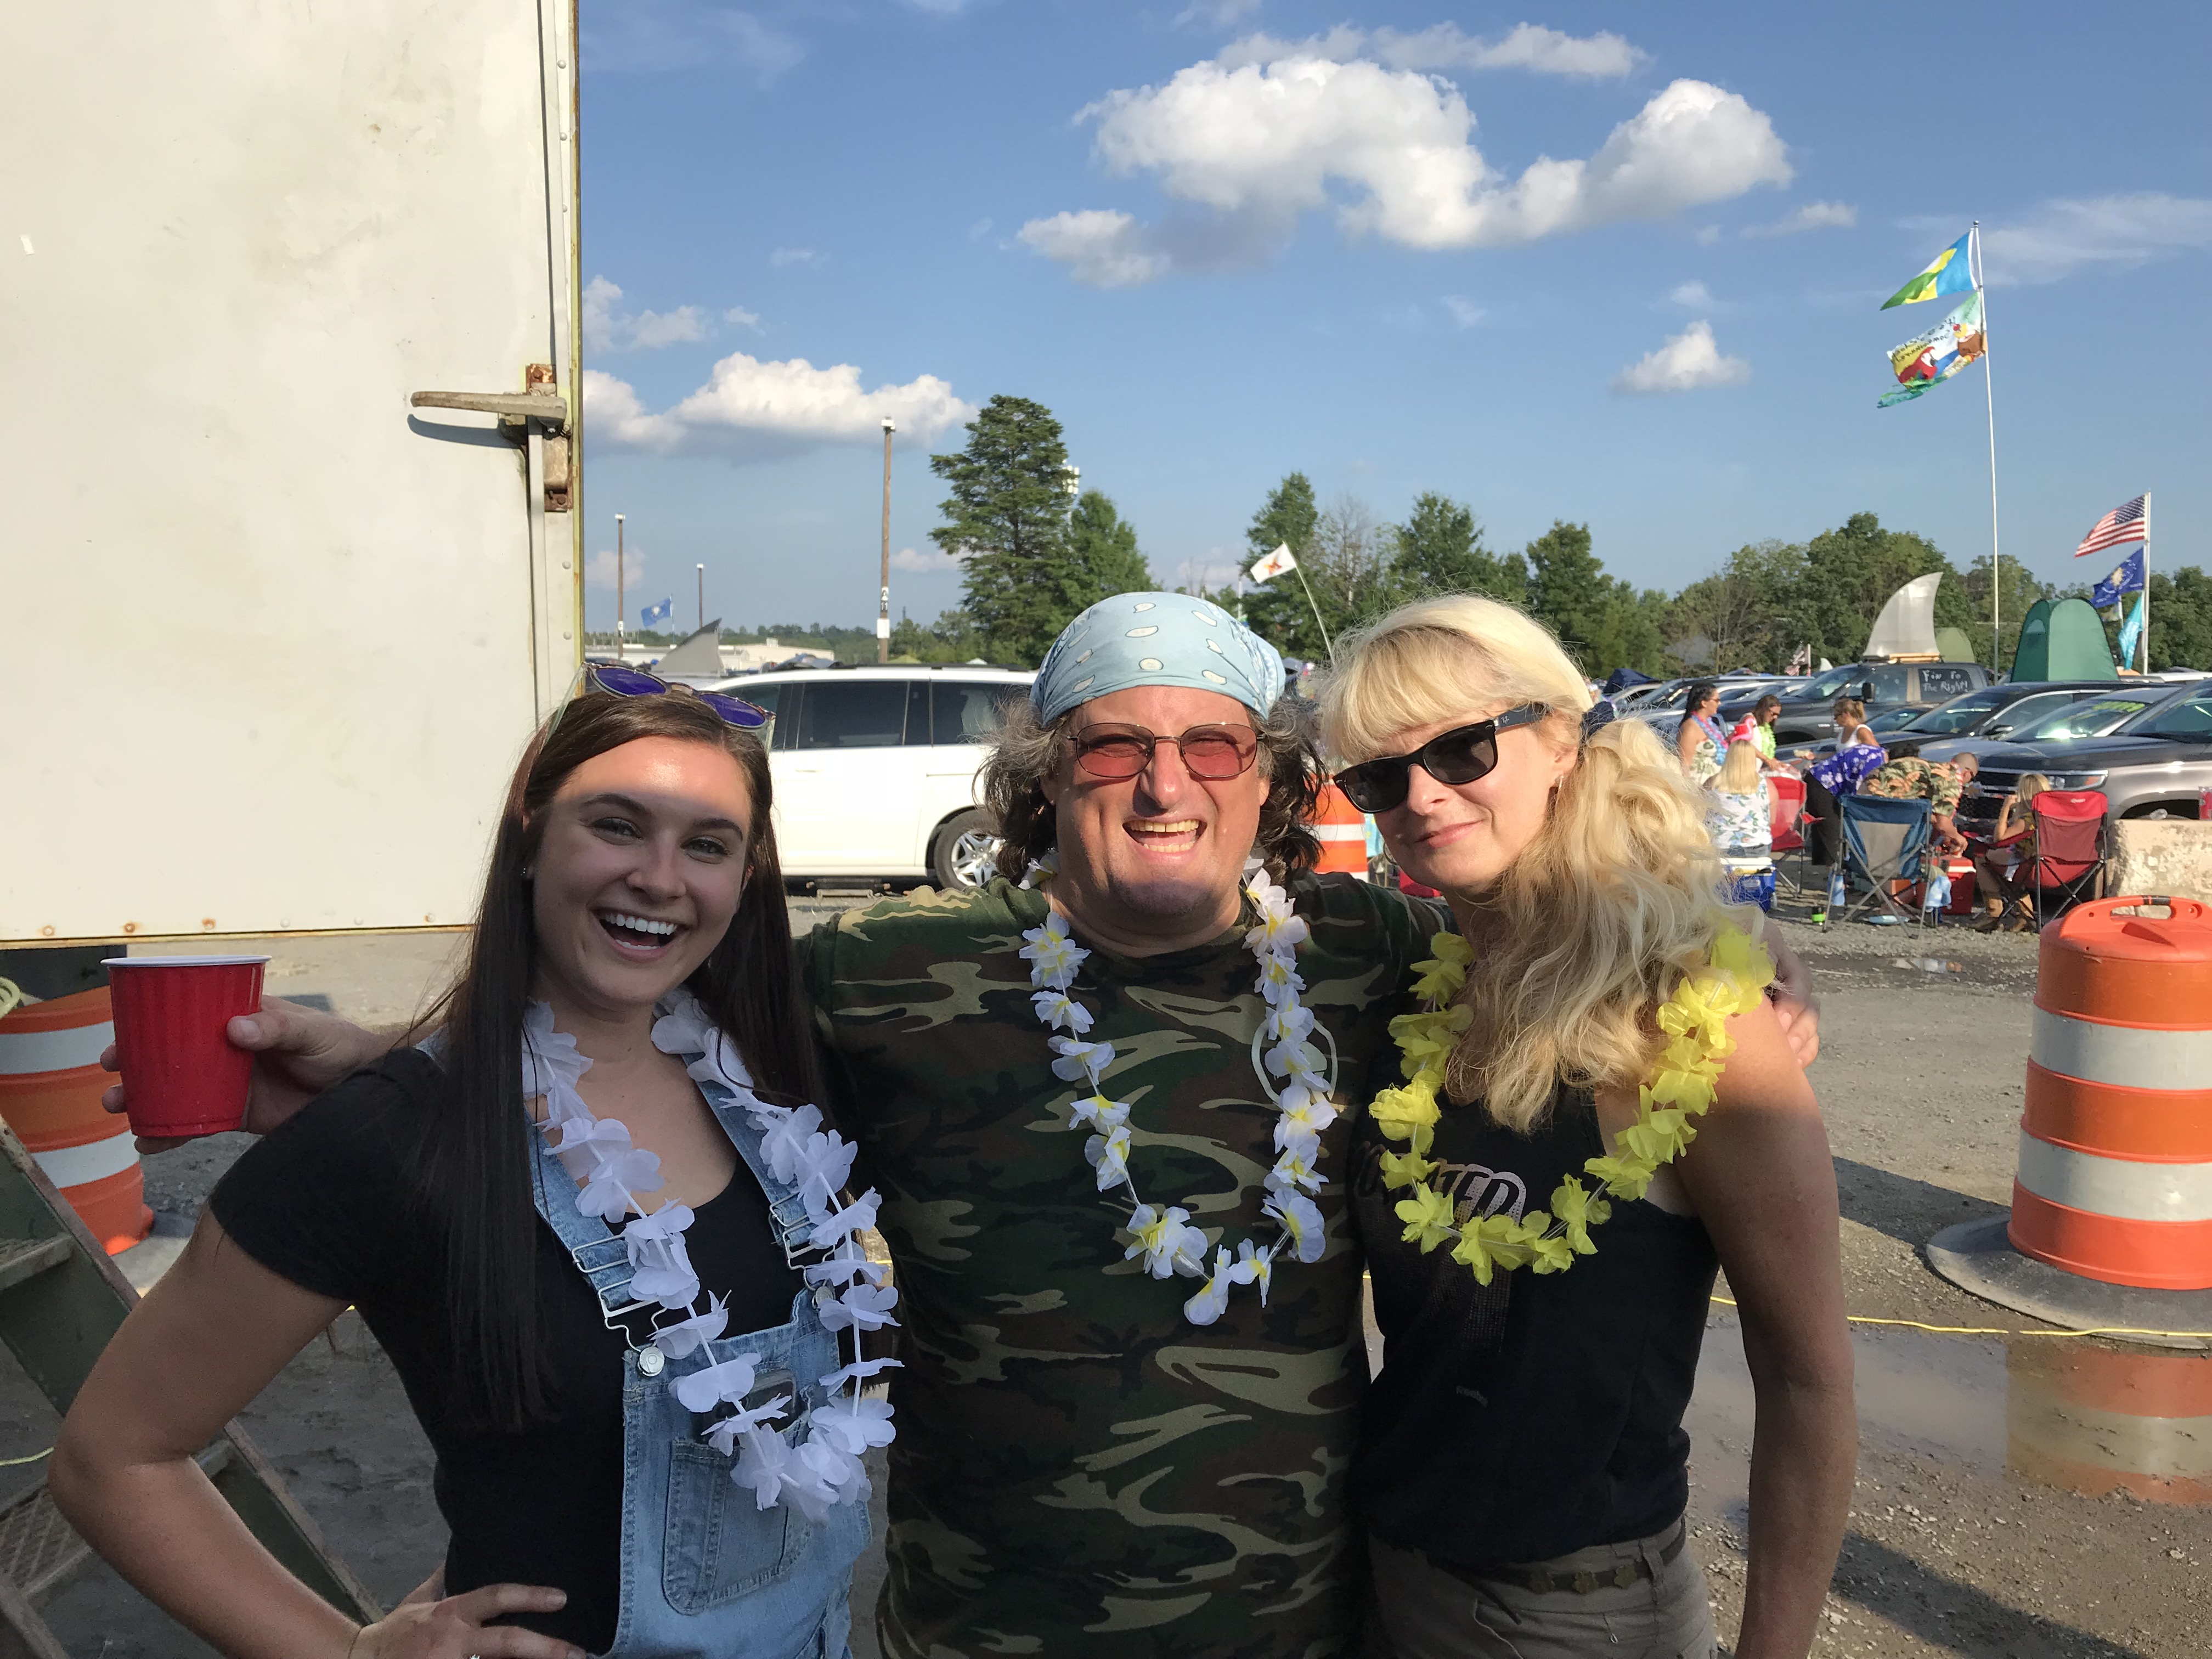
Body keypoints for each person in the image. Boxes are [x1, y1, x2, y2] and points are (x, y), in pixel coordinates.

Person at [103, 597, 1822, 1659]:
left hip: (1306, 1625)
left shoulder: (1375, 960)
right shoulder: (887, 972)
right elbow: (633, 1002)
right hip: (978, 1628)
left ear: (1271, 785)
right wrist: (397, 1058)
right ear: (1044, 778)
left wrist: (1729, 967)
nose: (1166, 783)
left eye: (1213, 746)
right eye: (1115, 748)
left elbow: (1558, 946)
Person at [57, 688, 879, 1659]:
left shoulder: (770, 1084)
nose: (659, 877)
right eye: (616, 826)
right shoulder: (387, 1136)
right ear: (529, 840)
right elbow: (113, 1455)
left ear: (745, 878)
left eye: (707, 844)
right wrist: (349, 1651)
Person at [1322, 596, 1852, 1659]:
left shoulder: (1691, 1020)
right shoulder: (1418, 979)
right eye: (1380, 777)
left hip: (1572, 1618)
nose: (1421, 795)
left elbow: (1807, 1380)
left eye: (1463, 749)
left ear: (1561, 739)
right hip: (1378, 1583)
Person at [1800, 697, 1884, 872]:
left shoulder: (1862, 731)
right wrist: (1816, 757)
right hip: (1837, 778)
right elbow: (1839, 754)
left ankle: (1837, 865)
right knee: (1829, 820)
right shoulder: (1844, 732)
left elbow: (1875, 754)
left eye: (1837, 715)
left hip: (1848, 780)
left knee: (1835, 821)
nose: (1835, 719)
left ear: (1846, 714)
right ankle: (1832, 866)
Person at [1861, 749, 1979, 859]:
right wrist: (1958, 837)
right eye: (1972, 778)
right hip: (1882, 803)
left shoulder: (1934, 769)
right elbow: (1943, 825)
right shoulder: (1950, 778)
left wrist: (1948, 832)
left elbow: (1931, 816)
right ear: (1967, 773)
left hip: (1863, 801)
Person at [1971, 770, 2049, 932]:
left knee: (1982, 857)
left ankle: (1993, 913)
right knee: (2007, 867)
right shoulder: (2051, 816)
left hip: (2031, 865)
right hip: (2052, 864)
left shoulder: (2027, 820)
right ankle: (2025, 916)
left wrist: (2006, 808)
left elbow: (1999, 839)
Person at [1705, 738, 1774, 859]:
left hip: (1721, 846)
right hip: (1758, 846)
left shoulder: (1712, 782)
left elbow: (1702, 814)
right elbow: (1771, 820)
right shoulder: (1767, 784)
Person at [1673, 682, 1727, 783]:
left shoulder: (1711, 724)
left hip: (1717, 786)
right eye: (1717, 700)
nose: (1719, 703)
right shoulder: (1690, 728)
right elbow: (1684, 765)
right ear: (1704, 703)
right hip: (1699, 786)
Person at [1730, 694, 1794, 775]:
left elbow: (1764, 751)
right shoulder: (1750, 720)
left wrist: (1776, 762)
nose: (1775, 717)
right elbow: (1744, 744)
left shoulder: (1765, 726)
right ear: (1764, 709)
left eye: (1778, 715)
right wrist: (1767, 760)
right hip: (1743, 770)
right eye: (1773, 714)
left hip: (1756, 771)